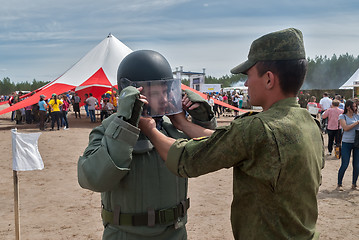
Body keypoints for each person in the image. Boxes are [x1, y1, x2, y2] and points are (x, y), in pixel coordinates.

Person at [138, 28, 324, 239]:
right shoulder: (310, 123)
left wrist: (150, 129)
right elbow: (232, 143)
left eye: (248, 75)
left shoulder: (257, 128)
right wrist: (183, 124)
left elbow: (185, 159)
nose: (245, 83)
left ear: (269, 79)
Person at [78, 50, 216, 240]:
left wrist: (201, 118)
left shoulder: (171, 127)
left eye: (167, 91)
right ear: (134, 93)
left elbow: (215, 150)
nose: (166, 100)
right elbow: (93, 179)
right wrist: (125, 126)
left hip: (175, 232)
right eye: (158, 93)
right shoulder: (108, 129)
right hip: (127, 234)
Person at [338, 99, 359, 191]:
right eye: (353, 106)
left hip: (357, 143)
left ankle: (354, 184)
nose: (355, 108)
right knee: (345, 164)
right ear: (348, 107)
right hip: (346, 142)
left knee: (357, 165)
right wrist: (356, 123)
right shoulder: (342, 116)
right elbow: (345, 128)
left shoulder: (357, 116)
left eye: (355, 106)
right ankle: (339, 183)